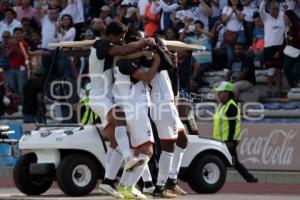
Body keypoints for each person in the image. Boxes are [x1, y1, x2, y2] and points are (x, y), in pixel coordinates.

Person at [88, 21, 155, 198]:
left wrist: (142, 51)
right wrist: (144, 42)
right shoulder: (100, 45)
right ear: (111, 35)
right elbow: (122, 51)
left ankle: (108, 183)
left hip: (106, 98)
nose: (121, 40)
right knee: (119, 115)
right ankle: (128, 160)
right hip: (98, 97)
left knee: (117, 142)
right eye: (120, 37)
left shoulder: (109, 48)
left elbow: (124, 53)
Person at [213, 81, 258, 183]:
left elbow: (232, 125)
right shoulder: (222, 106)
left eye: (220, 92)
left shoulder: (231, 106)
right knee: (230, 162)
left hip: (227, 140)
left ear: (227, 93)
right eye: (218, 92)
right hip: (221, 140)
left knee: (229, 161)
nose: (218, 95)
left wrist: (230, 141)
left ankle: (249, 178)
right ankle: (249, 178)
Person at [259, 0, 285, 98]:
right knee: (270, 71)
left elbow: (289, 7)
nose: (275, 11)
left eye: (277, 9)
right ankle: (269, 90)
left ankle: (279, 90)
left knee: (279, 70)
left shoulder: (282, 16)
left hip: (279, 47)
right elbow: (261, 9)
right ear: (269, 9)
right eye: (273, 9)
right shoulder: (266, 18)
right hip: (269, 48)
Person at [282, 10, 300, 88]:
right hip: (289, 51)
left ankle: (297, 84)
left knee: (296, 71)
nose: (284, 18)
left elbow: (298, 38)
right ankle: (292, 86)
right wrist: (279, 52)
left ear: (289, 17)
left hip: (298, 51)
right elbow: (285, 41)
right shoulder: (287, 27)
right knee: (286, 69)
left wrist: (290, 38)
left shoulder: (297, 25)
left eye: (285, 16)